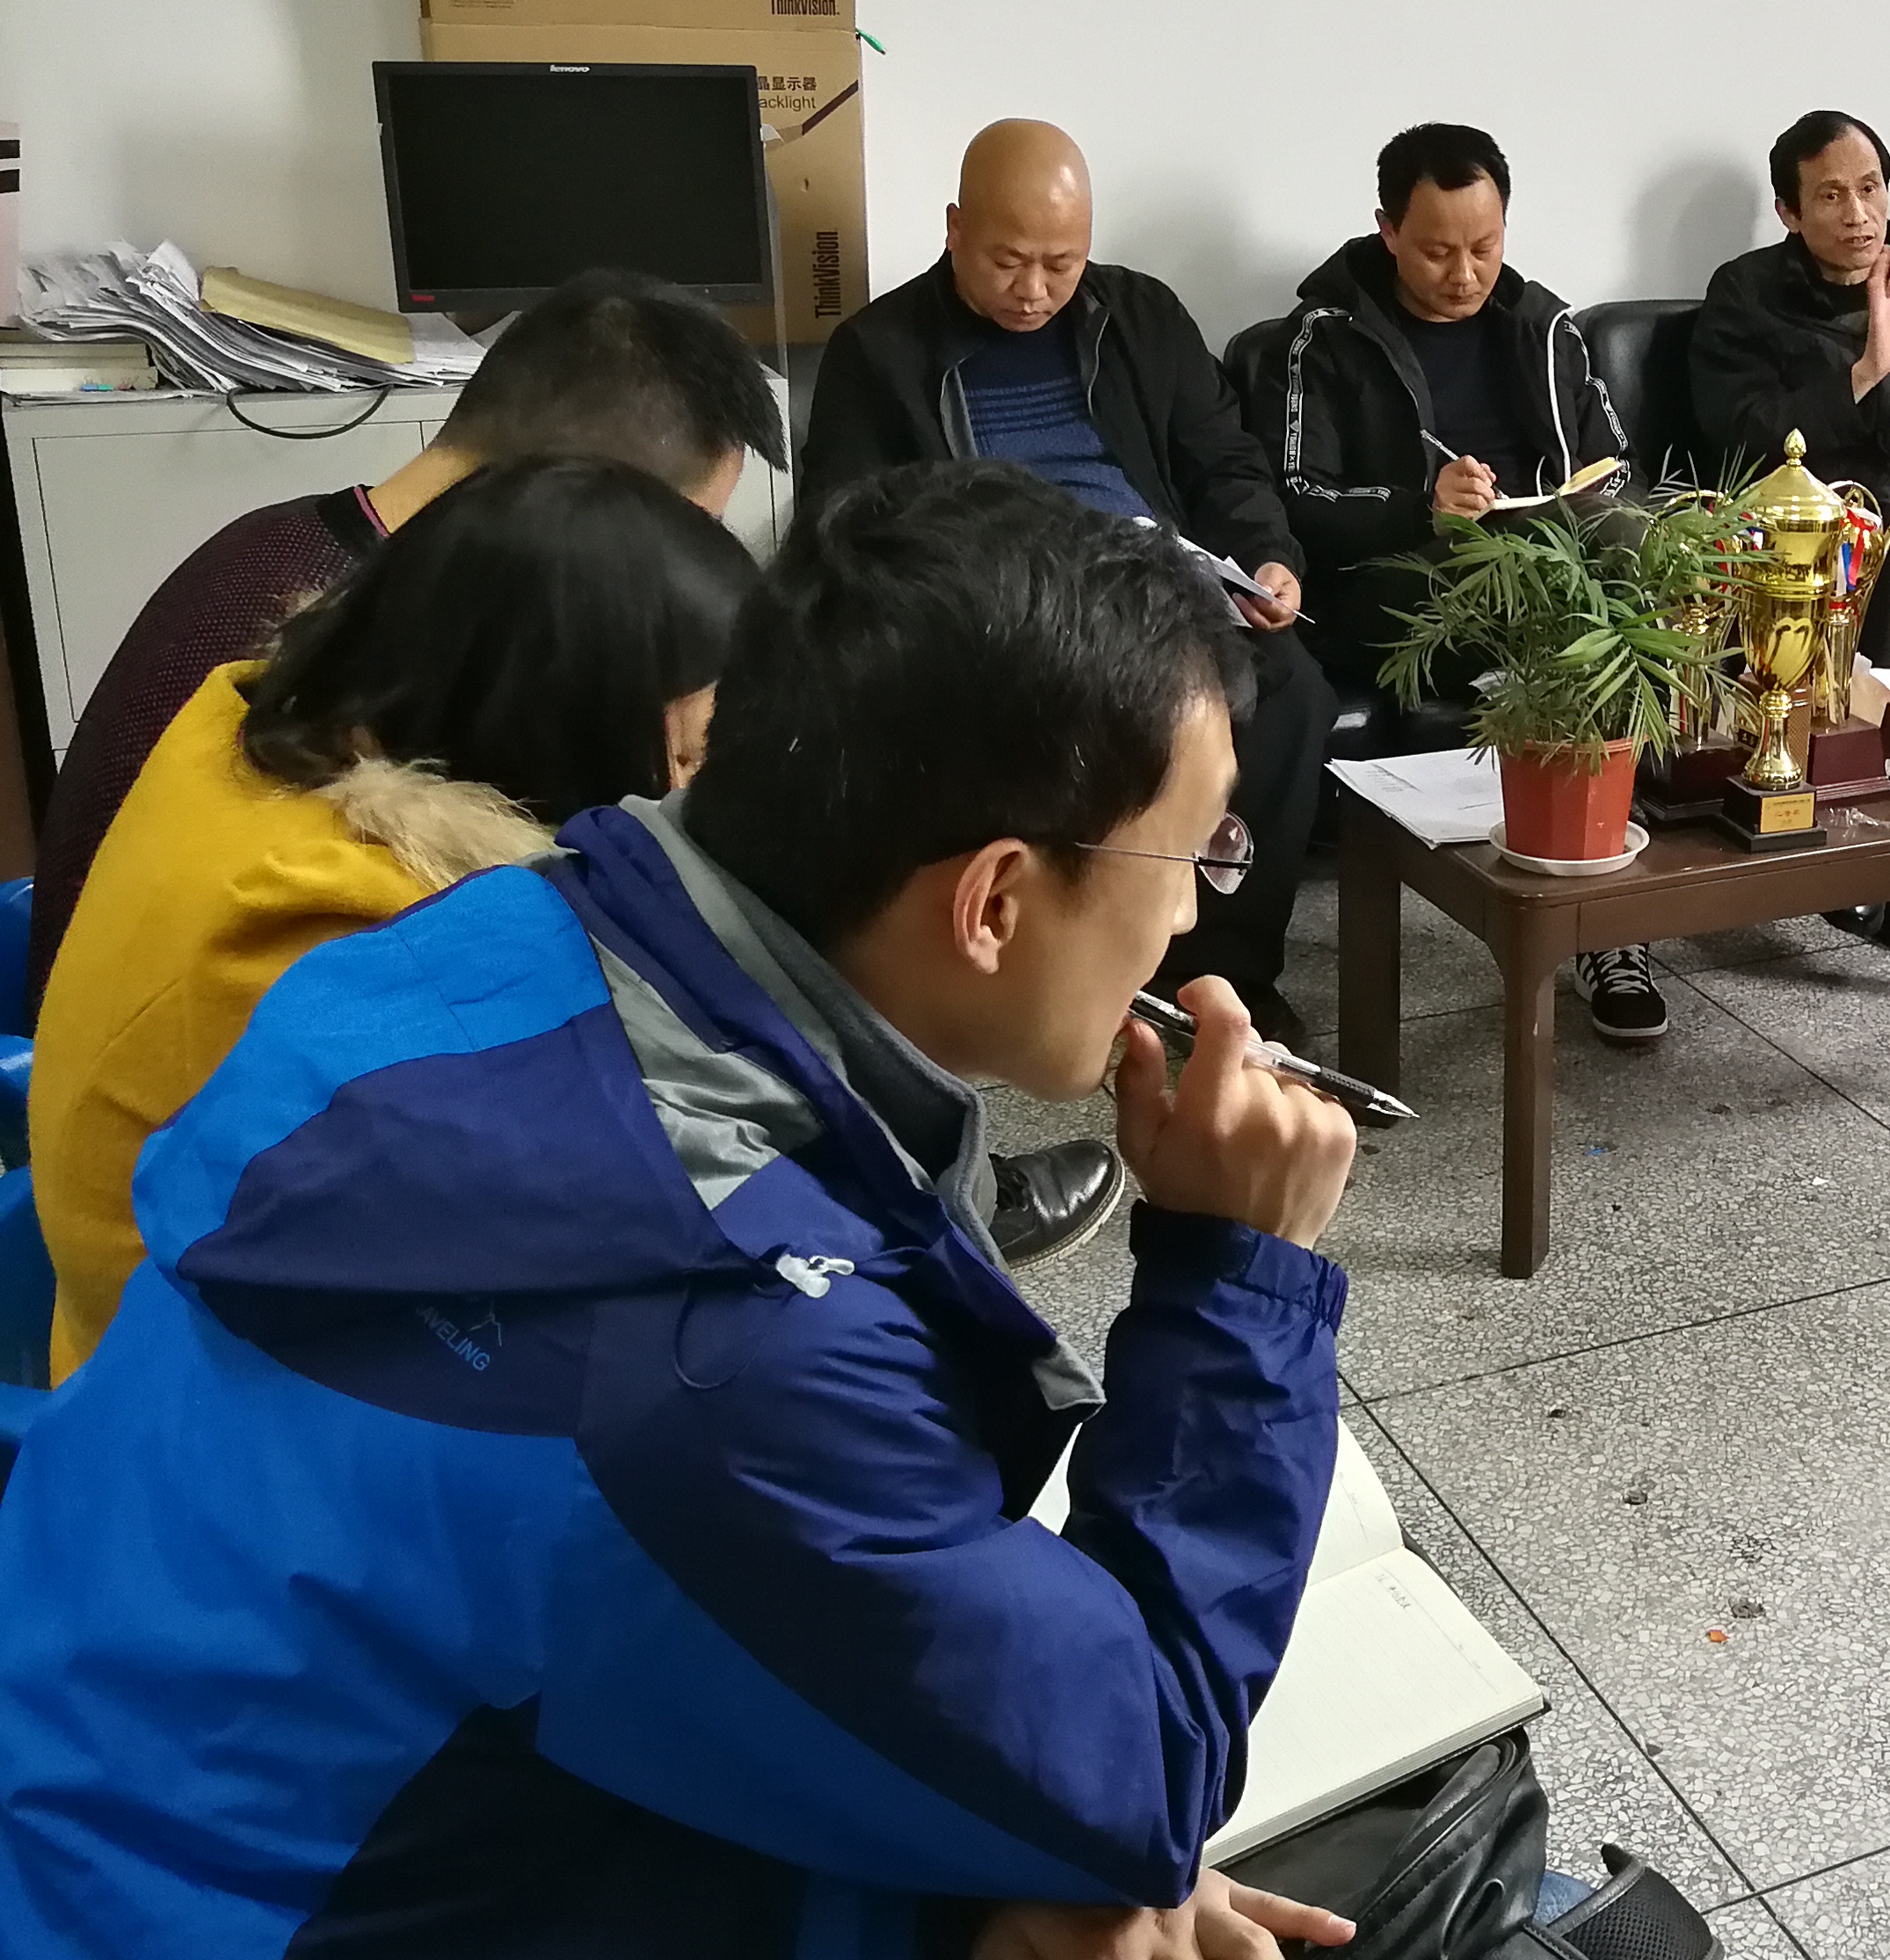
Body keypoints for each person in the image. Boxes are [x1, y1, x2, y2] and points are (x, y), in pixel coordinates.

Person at [0, 463, 1361, 1960]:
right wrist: (1237, 1270)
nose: (1193, 910)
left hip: (127, 1848)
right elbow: (1141, 1768)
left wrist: (978, 1840)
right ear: (996, 899)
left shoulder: (484, 934)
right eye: (1191, 854)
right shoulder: (730, 1350)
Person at [18, 265, 1121, 1270]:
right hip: (199, 1302)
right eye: (675, 532)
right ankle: (905, 1205)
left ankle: (915, 1183)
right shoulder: (362, 926)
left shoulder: (321, 622)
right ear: (570, 525)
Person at [30, 457, 760, 1383]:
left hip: (189, 1293)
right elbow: (569, 1215)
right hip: (190, 1389)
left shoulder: (263, 725)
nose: (697, 785)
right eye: (688, 754)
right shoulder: (349, 929)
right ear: (571, 722)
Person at [807, 120, 1324, 1043]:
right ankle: (1080, 970)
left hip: (1158, 590)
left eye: (1061, 263)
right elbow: (845, 534)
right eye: (1008, 262)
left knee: (1289, 687)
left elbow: (1225, 464)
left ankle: (1225, 975)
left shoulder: (1141, 318)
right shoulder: (878, 353)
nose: (1035, 291)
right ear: (954, 228)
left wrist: (1266, 557)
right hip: (1005, 613)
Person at [1241, 125, 1665, 1044]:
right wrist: (1421, 507)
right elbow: (1292, 495)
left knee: (1625, 580)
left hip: (1548, 567)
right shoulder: (1322, 338)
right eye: (1437, 251)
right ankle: (1591, 921)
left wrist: (1581, 503)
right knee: (1565, 624)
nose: (1465, 274)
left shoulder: (1545, 326)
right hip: (1395, 582)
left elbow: (1616, 462)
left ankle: (1610, 915)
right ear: (1388, 230)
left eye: (1485, 245)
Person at [1690, 109, 1890, 963]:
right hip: (1804, 540)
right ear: (1789, 213)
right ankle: (1847, 844)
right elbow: (1737, 437)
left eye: (1869, 189)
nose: (1858, 215)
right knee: (1863, 551)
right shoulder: (1746, 294)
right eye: (1830, 196)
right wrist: (1863, 374)